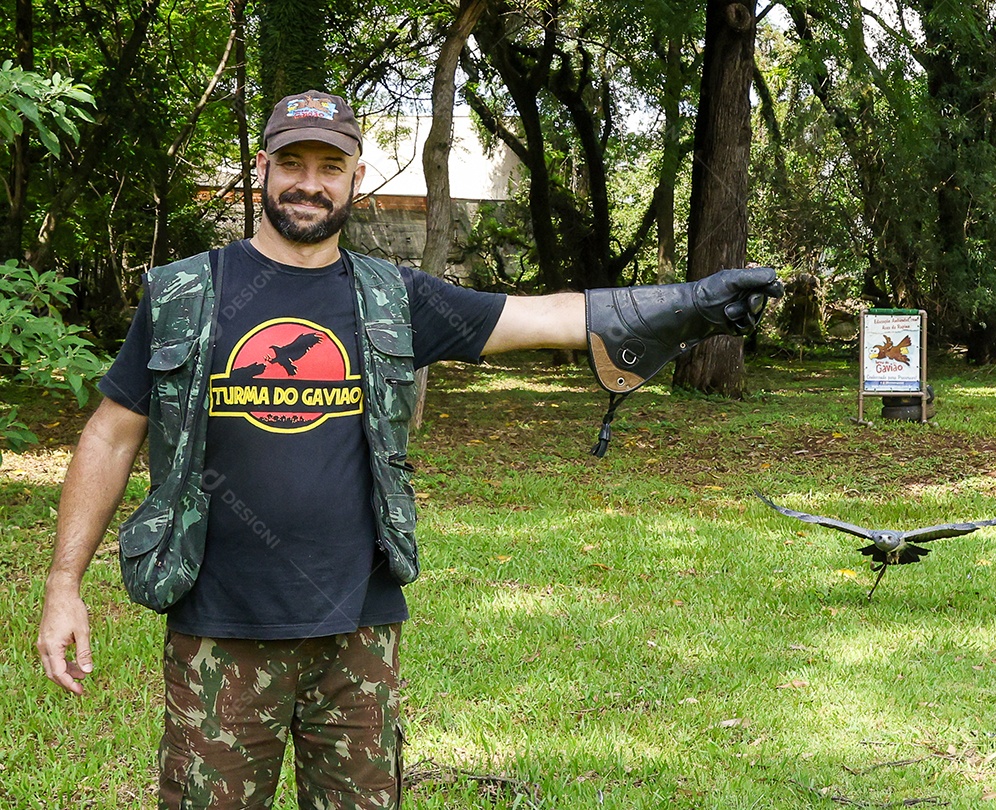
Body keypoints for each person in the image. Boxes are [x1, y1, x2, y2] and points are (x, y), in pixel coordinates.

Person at [36, 90, 781, 809]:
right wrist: (65, 582)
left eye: (330, 167)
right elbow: (110, 431)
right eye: (292, 162)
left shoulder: (392, 297)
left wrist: (690, 302)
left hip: (359, 629)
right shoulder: (187, 294)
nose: (309, 183)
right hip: (218, 628)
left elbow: (543, 316)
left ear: (357, 181)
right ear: (260, 168)